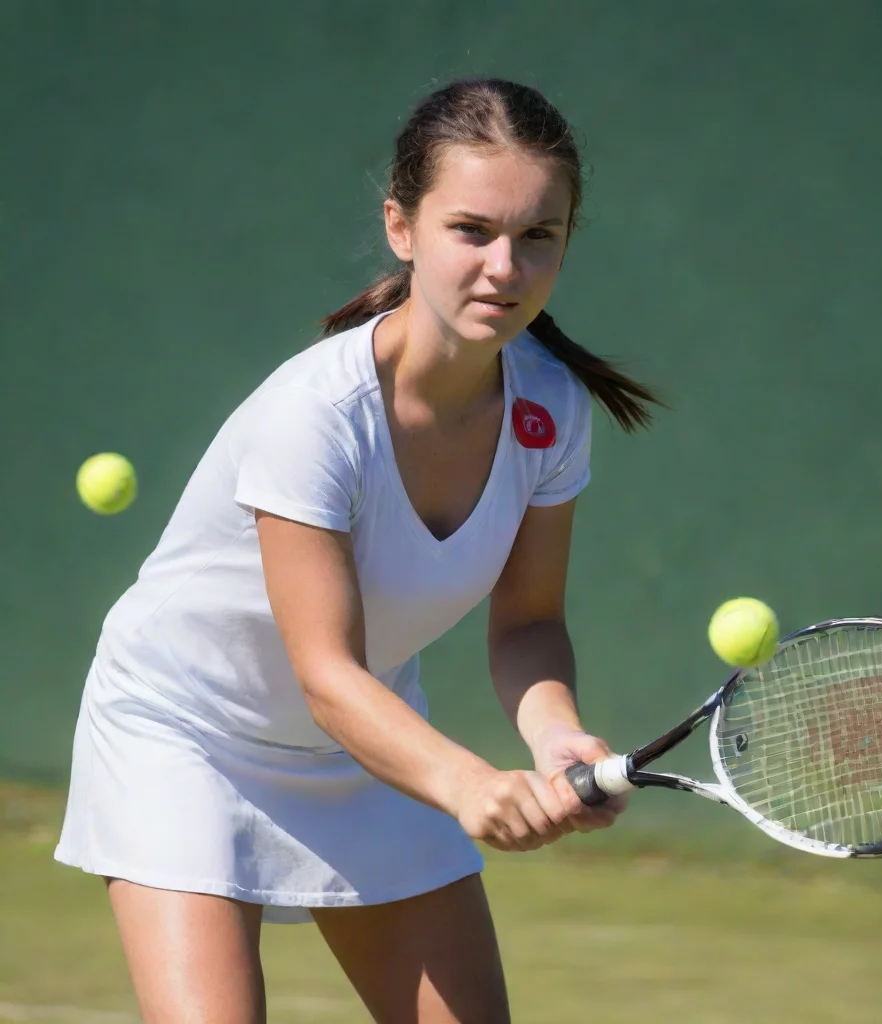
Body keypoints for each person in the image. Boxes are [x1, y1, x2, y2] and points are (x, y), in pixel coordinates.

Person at [54, 77, 661, 1024]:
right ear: (402, 228)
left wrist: (555, 735)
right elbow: (327, 673)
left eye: (538, 236)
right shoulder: (315, 418)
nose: (505, 267)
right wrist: (466, 783)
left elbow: (530, 622)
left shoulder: (551, 415)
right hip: (187, 734)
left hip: (367, 748)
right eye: (472, 230)